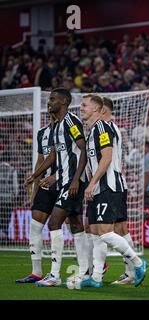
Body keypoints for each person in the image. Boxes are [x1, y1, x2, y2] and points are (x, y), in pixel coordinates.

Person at [79, 94, 146, 288]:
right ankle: (97, 277)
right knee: (94, 231)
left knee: (105, 232)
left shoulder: (102, 127)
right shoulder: (92, 131)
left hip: (108, 185)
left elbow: (106, 158)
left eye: (84, 105)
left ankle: (138, 263)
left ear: (97, 109)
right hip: (99, 186)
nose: (81, 108)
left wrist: (92, 183)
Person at [24, 88, 89, 287]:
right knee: (76, 224)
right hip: (64, 182)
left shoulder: (71, 121)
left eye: (52, 99)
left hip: (72, 183)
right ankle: (86, 271)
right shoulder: (57, 127)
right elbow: (52, 155)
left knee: (54, 223)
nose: (49, 102)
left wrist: (77, 180)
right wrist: (35, 176)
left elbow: (83, 149)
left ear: (64, 101)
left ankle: (54, 275)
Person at [16, 110, 58, 283]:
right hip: (45, 186)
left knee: (74, 226)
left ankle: (94, 264)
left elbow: (76, 157)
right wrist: (34, 185)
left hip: (66, 184)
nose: (51, 110)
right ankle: (36, 272)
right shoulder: (42, 133)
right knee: (35, 225)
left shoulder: (69, 129)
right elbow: (40, 160)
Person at [102, 96, 138, 285]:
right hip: (115, 182)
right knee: (117, 228)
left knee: (104, 228)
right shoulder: (111, 128)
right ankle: (129, 270)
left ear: (103, 110)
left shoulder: (108, 128)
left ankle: (132, 268)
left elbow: (105, 158)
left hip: (111, 183)